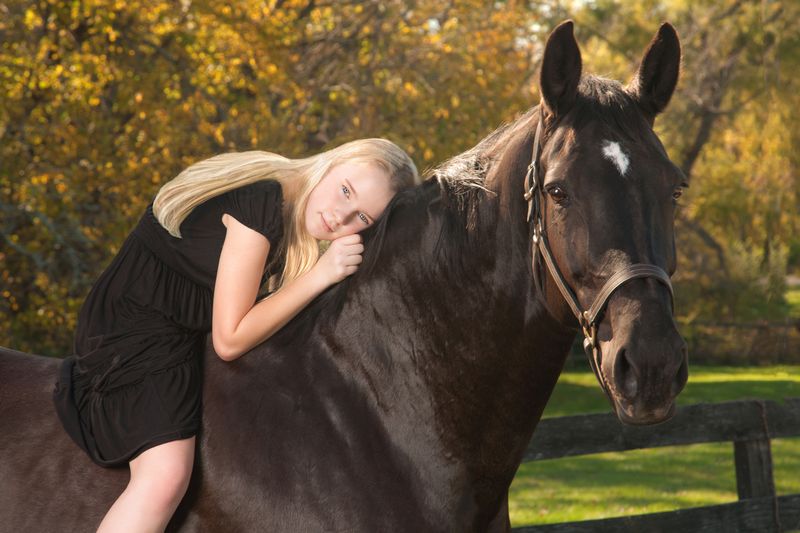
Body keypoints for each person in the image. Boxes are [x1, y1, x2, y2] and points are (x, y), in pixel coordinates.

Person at [51, 138, 419, 532]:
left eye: (362, 217)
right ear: (332, 163)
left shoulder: (290, 217)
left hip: (179, 330)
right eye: (346, 190)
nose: (340, 216)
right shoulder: (265, 202)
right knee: (165, 476)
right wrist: (322, 274)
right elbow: (230, 339)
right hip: (134, 326)